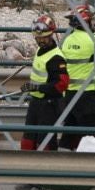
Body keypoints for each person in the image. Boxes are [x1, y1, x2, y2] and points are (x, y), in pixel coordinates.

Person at [56, 3, 95, 150]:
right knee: (89, 135)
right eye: (91, 21)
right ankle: (88, 164)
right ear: (86, 21)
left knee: (69, 131)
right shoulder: (93, 41)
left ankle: (61, 162)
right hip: (86, 95)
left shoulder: (68, 40)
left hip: (68, 94)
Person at [20, 14, 69, 151]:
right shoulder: (40, 50)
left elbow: (60, 85)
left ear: (51, 35)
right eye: (38, 38)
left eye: (43, 37)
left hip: (49, 104)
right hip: (36, 101)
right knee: (28, 140)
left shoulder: (56, 58)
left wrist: (37, 87)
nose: (40, 40)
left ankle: (47, 168)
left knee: (45, 141)